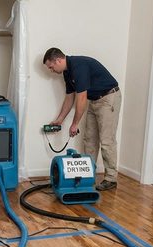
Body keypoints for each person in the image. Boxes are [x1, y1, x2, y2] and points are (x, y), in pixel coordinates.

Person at [43, 47, 122, 191]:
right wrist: (60, 119)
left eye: (51, 67)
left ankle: (111, 178)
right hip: (94, 100)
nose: (51, 70)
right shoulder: (67, 72)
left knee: (106, 140)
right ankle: (88, 175)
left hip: (108, 98)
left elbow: (81, 97)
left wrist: (75, 124)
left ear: (58, 60)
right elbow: (70, 97)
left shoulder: (79, 66)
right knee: (89, 139)